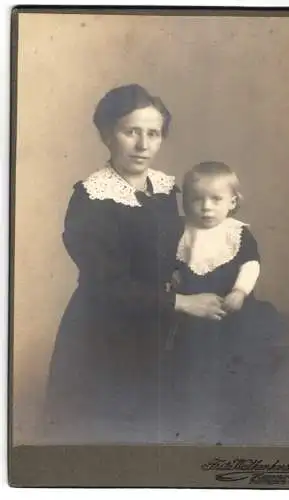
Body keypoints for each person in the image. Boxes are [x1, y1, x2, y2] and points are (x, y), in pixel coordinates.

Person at [44, 85, 225, 443]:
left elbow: (160, 253)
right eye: (131, 132)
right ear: (108, 135)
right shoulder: (91, 198)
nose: (143, 145)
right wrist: (184, 303)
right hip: (104, 336)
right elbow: (106, 286)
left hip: (157, 326)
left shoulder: (162, 188)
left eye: (153, 134)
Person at [169, 161, 289, 444]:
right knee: (192, 369)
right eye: (196, 199)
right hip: (193, 317)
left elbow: (251, 265)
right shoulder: (180, 233)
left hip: (232, 313)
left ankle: (237, 424)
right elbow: (171, 265)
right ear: (185, 201)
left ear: (232, 201)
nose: (206, 207)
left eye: (216, 199)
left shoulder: (236, 233)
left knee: (237, 367)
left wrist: (239, 292)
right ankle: (195, 424)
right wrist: (174, 278)